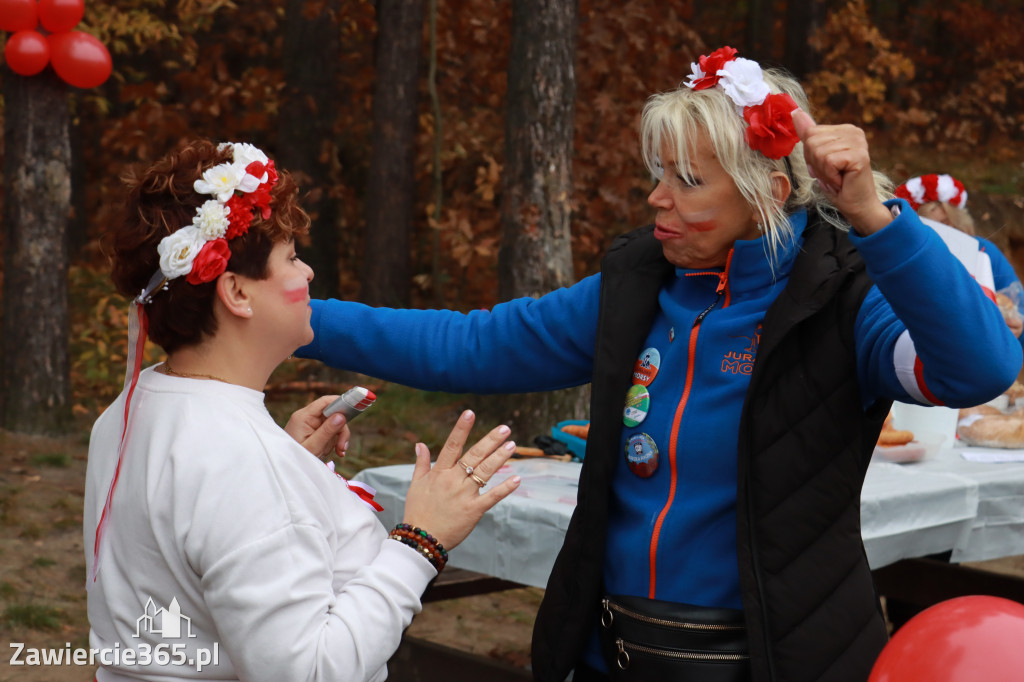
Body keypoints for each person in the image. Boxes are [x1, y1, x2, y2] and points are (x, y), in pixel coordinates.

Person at [296, 47, 1022, 682]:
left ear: (767, 189)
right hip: (611, 655)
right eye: (657, 173)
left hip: (774, 660)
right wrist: (296, 317)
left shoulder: (844, 296)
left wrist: (874, 216)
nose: (656, 198)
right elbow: (471, 343)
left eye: (686, 180)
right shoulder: (641, 280)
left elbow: (979, 370)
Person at [83, 139, 522, 682]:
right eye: (291, 258)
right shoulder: (241, 464)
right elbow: (311, 672)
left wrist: (287, 466)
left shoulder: (132, 408)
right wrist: (420, 540)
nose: (308, 272)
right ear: (236, 293)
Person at [896, 173, 1024, 340]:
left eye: (944, 224)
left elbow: (1018, 304)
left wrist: (1018, 327)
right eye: (929, 227)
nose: (940, 233)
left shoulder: (986, 252)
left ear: (959, 222)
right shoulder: (905, 262)